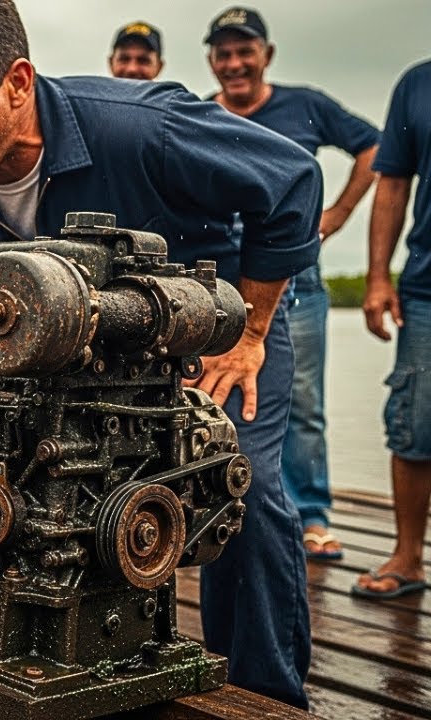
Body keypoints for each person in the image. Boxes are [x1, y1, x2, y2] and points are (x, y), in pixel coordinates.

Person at [0, 0, 321, 707]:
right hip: (73, 352)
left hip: (215, 333)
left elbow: (293, 181)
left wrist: (249, 335)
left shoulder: (146, 128)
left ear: (18, 83)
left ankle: (264, 692)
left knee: (244, 485)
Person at [206, 6, 380, 563]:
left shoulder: (305, 104)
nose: (235, 63)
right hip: (223, 282)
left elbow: (375, 148)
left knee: (303, 397)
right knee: (220, 396)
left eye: (244, 50)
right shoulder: (201, 113)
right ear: (212, 59)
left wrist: (334, 216)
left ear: (267, 55)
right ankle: (222, 510)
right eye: (224, 52)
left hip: (295, 277)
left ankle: (312, 515)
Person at [351, 59, 431, 601]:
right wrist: (378, 276)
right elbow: (393, 183)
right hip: (427, 288)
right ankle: (408, 556)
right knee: (415, 422)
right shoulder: (418, 84)